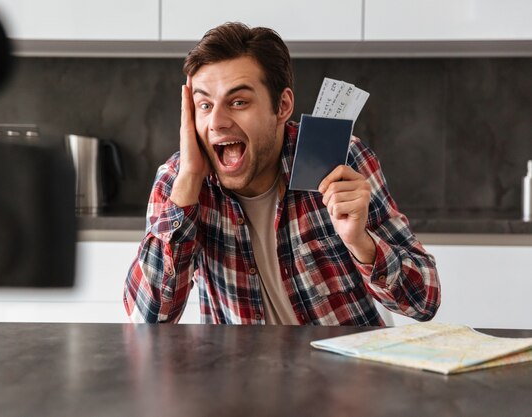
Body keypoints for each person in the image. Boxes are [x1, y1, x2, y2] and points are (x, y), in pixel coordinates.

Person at [124, 22, 440, 325]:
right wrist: (188, 182)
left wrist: (361, 244)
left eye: (238, 101)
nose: (217, 122)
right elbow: (146, 320)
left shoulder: (342, 160)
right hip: (239, 376)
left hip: (344, 374)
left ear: (282, 105)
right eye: (204, 105)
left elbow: (424, 301)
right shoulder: (178, 181)